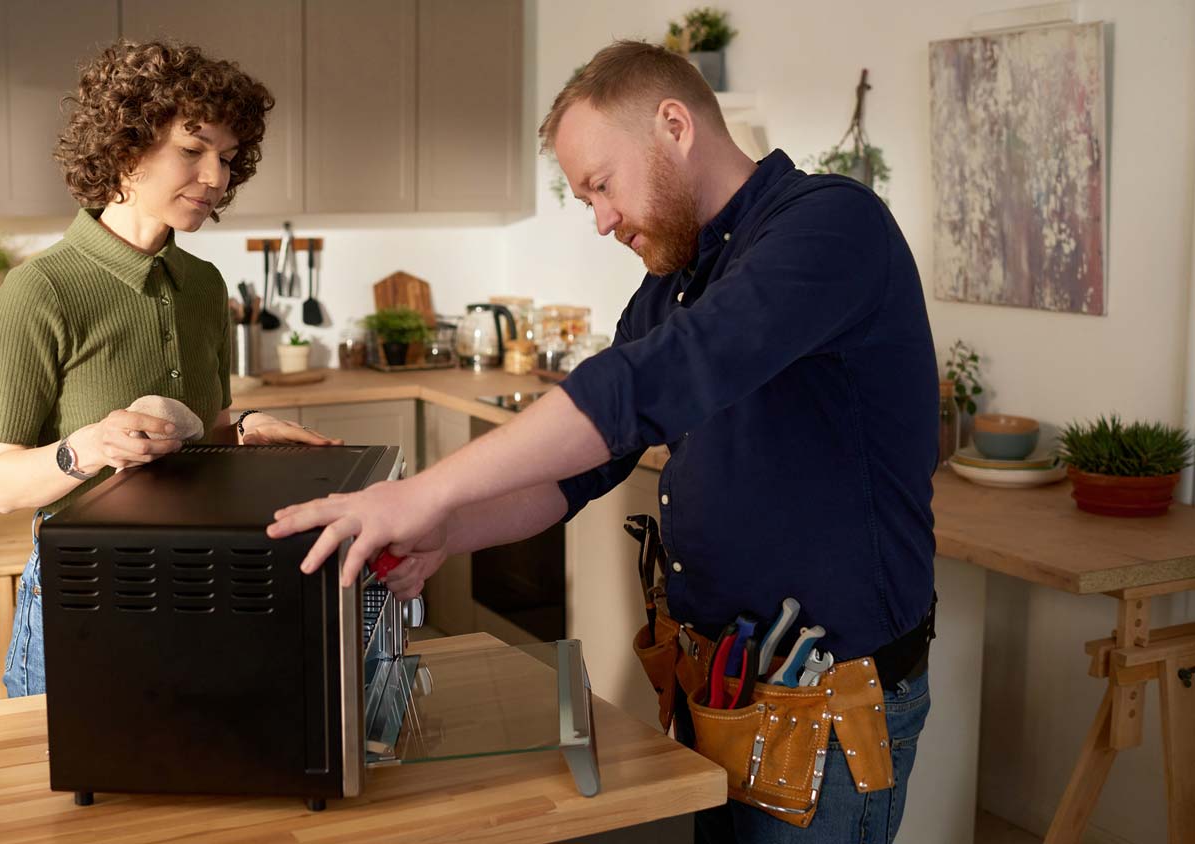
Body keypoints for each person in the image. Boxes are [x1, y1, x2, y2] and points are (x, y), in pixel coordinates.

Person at [268, 40, 937, 842]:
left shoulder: (832, 225)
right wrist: (445, 529)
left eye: (600, 186)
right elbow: (587, 466)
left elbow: (645, 385)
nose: (601, 221)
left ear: (674, 126)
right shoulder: (675, 278)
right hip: (722, 694)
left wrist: (420, 491)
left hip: (827, 711)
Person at [0, 40, 337, 699]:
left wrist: (245, 427)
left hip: (201, 584)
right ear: (126, 147)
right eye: (193, 150)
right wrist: (91, 446)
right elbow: (0, 483)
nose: (218, 178)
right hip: (82, 591)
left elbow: (206, 425)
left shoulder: (203, 285)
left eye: (228, 159)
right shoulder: (39, 291)